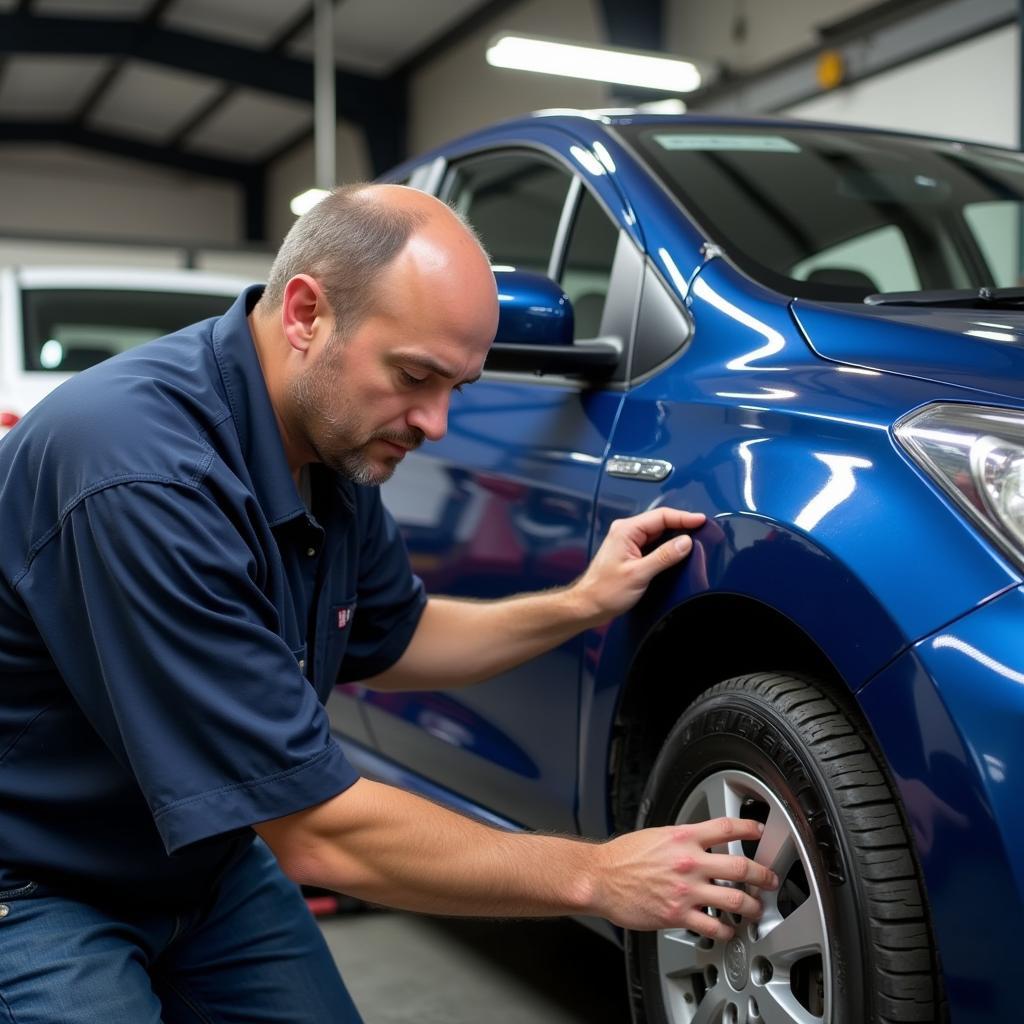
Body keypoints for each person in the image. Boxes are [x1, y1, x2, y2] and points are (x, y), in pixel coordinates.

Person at [0, 184, 777, 1023]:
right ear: (306, 314)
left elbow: (398, 636)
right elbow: (315, 830)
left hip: (204, 859)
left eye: (458, 386)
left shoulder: (329, 442)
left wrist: (582, 603)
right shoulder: (138, 473)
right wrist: (597, 875)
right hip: (37, 874)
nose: (436, 422)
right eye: (414, 376)